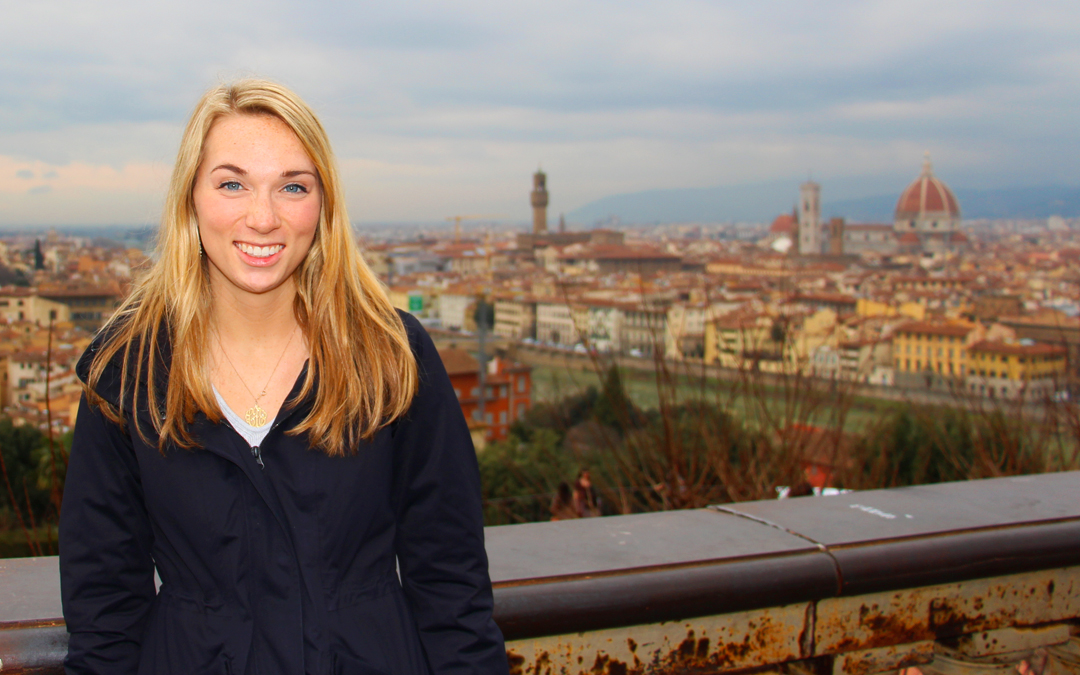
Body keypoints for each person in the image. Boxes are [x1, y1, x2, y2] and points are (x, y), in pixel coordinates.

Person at [59, 79, 508, 675]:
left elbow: (452, 585)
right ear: (191, 198)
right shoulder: (130, 371)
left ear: (322, 205)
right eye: (232, 183)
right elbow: (105, 607)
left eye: (292, 186)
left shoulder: (391, 356)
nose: (263, 216)